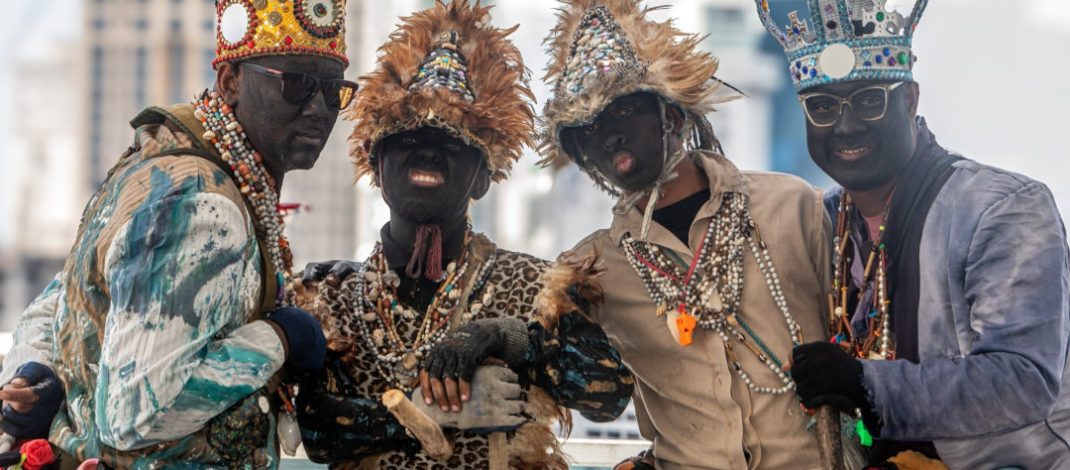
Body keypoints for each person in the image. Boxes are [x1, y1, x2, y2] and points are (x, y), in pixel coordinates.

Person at [0, 0, 356, 465]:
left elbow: (58, 301)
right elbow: (137, 417)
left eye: (334, 92)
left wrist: (38, 368)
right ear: (230, 81)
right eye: (296, 85)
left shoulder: (157, 162)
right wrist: (280, 338)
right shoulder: (201, 201)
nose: (318, 110)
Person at [294, 2, 634, 468]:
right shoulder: (332, 298)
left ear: (481, 178)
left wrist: (508, 337)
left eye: (453, 145)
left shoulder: (536, 287)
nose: (429, 154)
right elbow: (318, 429)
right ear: (376, 164)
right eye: (410, 139)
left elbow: (607, 393)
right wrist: (426, 416)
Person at [754, 0, 1070, 467]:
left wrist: (864, 383)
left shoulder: (1001, 207)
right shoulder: (822, 220)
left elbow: (1022, 380)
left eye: (868, 100)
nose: (845, 125)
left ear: (909, 100)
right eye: (822, 106)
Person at [538, 1, 832, 468]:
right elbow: (588, 388)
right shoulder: (588, 268)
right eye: (588, 130)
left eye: (623, 112)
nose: (609, 136)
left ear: (671, 116)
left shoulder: (793, 206)